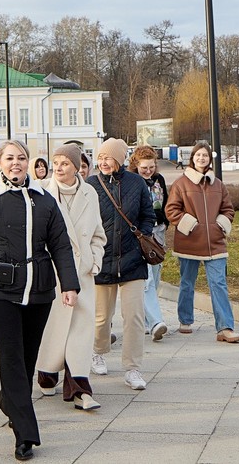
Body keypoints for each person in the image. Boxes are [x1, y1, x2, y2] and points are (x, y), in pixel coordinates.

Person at [0, 140, 80, 462]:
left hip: (38, 291)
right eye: (9, 158)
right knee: (10, 356)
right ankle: (25, 434)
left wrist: (70, 285)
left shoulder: (44, 200)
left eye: (22, 157)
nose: (16, 163)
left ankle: (10, 400)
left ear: (29, 162)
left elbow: (61, 244)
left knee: (25, 358)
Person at [35, 144, 105, 410]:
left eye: (65, 163)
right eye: (56, 162)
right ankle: (47, 373)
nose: (59, 167)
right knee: (53, 329)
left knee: (80, 331)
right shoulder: (41, 191)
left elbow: (98, 233)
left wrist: (94, 261)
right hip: (53, 274)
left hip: (83, 274)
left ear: (77, 166)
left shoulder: (90, 192)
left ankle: (80, 388)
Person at [88, 138, 153, 390]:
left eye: (109, 157)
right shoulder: (91, 185)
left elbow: (148, 214)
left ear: (120, 159)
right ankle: (98, 351)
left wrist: (141, 239)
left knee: (134, 317)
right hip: (102, 261)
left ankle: (133, 368)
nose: (103, 162)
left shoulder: (136, 183)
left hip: (132, 260)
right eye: (101, 157)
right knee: (101, 317)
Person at [165, 141, 239, 342]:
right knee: (187, 283)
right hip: (189, 242)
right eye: (198, 155)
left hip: (215, 243)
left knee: (218, 284)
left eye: (205, 156)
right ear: (192, 158)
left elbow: (228, 209)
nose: (201, 158)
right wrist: (192, 226)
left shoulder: (218, 184)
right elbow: (171, 210)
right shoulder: (181, 184)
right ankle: (185, 319)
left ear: (210, 159)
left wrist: (219, 226)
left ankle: (225, 327)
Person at [129, 146, 170, 341]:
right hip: (142, 234)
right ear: (136, 165)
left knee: (155, 276)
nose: (148, 171)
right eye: (144, 167)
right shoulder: (133, 182)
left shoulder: (159, 180)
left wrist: (165, 223)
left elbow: (165, 203)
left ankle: (145, 320)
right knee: (147, 281)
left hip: (159, 231)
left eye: (151, 167)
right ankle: (156, 322)